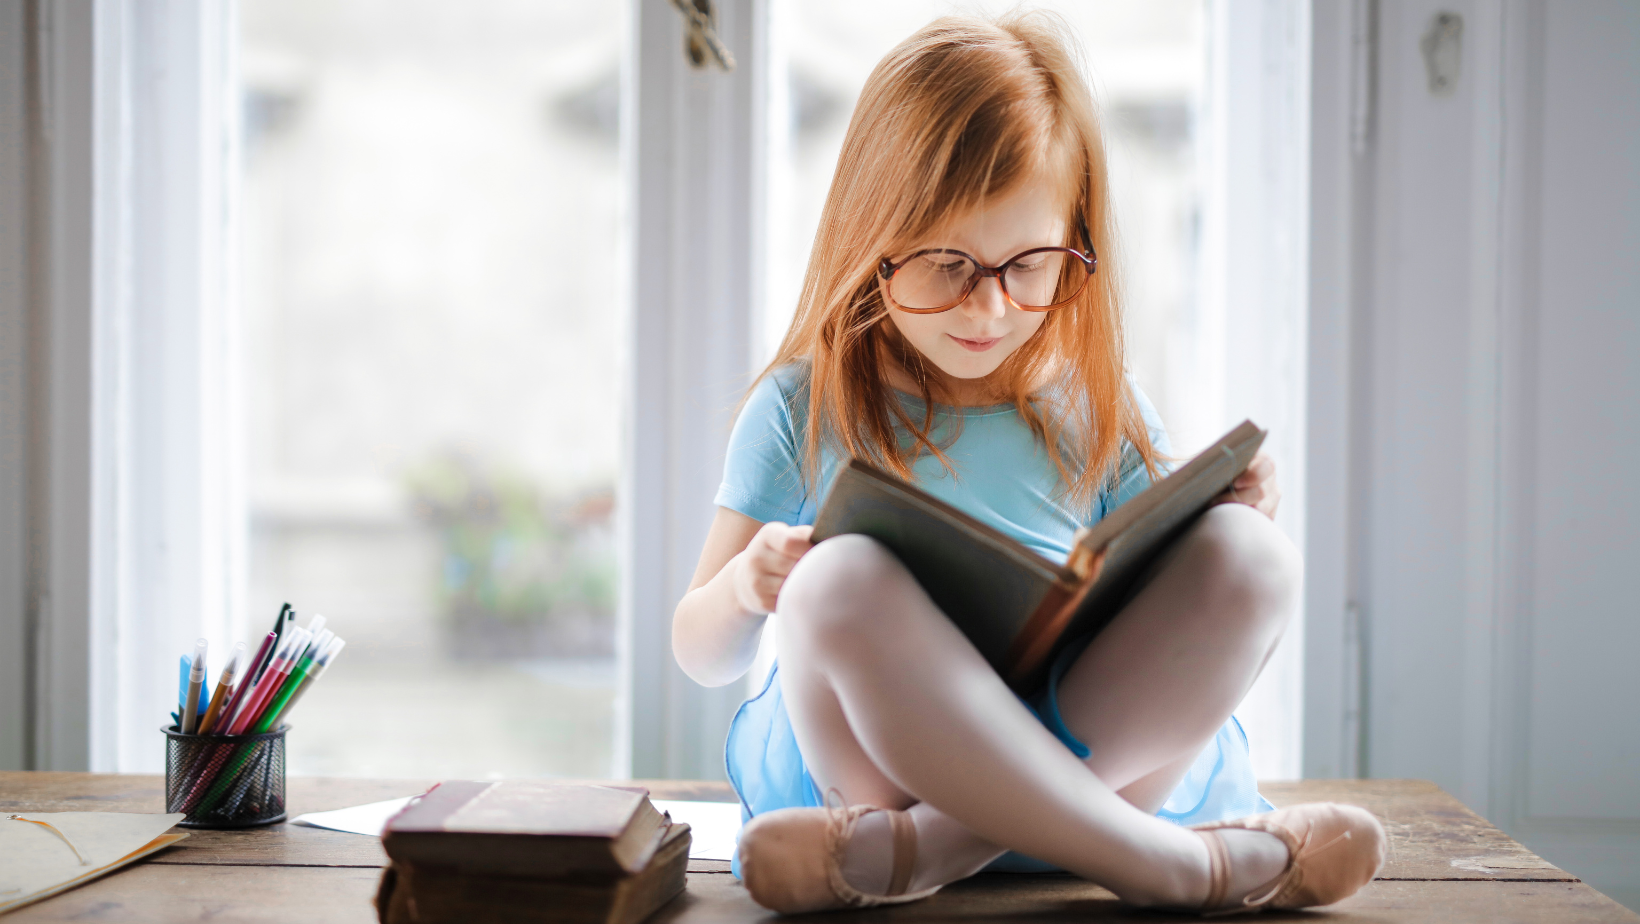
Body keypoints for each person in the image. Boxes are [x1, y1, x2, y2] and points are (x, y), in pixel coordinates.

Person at [671, 12, 1385, 916]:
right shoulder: (803, 404)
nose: (991, 308)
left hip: (1073, 771)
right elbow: (698, 652)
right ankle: (1170, 867)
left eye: (1031, 265)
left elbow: (1178, 589)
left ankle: (936, 850)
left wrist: (1234, 508)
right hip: (879, 776)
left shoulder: (1094, 400)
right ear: (869, 238)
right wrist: (746, 587)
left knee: (1254, 555)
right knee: (832, 581)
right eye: (944, 265)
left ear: (1074, 244)